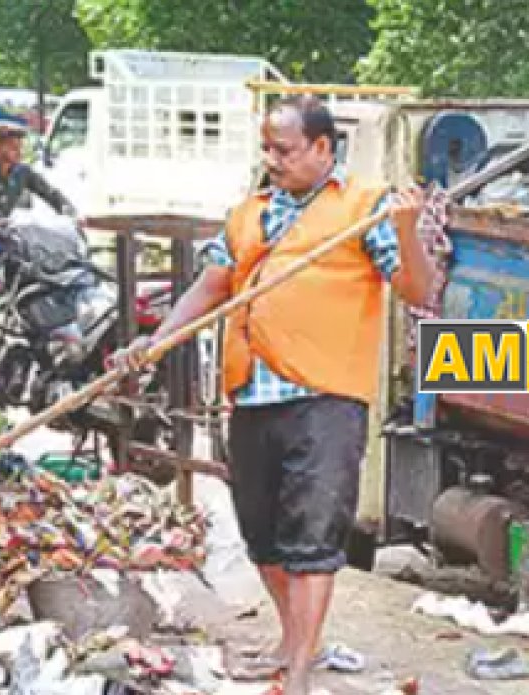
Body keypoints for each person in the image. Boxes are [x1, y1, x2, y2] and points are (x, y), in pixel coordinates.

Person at [116, 95, 434, 695]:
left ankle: (301, 671)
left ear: (322, 148)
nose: (272, 160)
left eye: (283, 149)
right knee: (262, 534)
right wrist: (155, 343)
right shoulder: (248, 214)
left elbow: (418, 291)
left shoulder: (365, 209)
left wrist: (409, 231)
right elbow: (209, 288)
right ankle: (292, 642)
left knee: (312, 539)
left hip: (324, 399)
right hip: (252, 398)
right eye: (266, 148)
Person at [0, 121, 78, 386]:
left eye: (19, 146)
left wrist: (70, 212)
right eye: (11, 146)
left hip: (11, 235)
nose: (17, 151)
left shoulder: (22, 172)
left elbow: (50, 193)